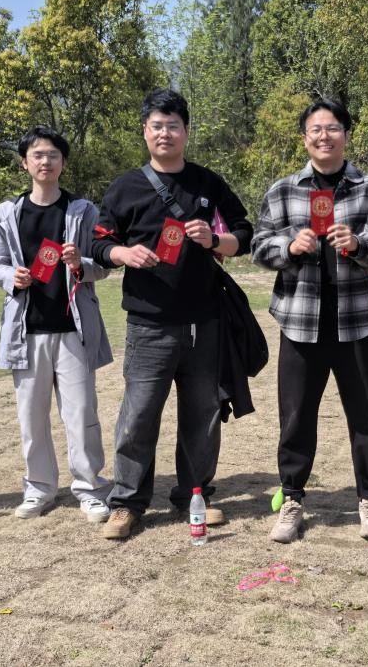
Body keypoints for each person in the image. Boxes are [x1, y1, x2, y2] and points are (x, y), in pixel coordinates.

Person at [89, 88, 252, 540]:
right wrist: (123, 253)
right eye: (157, 126)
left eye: (173, 125)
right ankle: (126, 503)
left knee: (202, 416)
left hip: (205, 322)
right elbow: (98, 243)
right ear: (145, 132)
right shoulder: (125, 187)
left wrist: (215, 241)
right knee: (138, 416)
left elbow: (244, 233)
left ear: (186, 131)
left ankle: (194, 496)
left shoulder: (208, 183)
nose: (165, 133)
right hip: (148, 324)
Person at [252, 99, 368, 543]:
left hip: (357, 322)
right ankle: (292, 499)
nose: (324, 136)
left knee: (366, 415)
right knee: (296, 417)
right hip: (300, 322)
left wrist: (359, 245)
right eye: (315, 129)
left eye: (333, 128)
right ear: (304, 138)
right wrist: (288, 248)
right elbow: (258, 246)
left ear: (346, 135)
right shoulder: (283, 191)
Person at [0, 126, 113, 523]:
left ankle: (90, 489)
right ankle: (39, 488)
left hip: (74, 327)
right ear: (24, 163)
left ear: (63, 162)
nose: (46, 161)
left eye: (53, 155)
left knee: (82, 414)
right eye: (37, 155)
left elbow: (103, 265)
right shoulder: (6, 214)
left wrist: (79, 264)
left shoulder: (83, 211)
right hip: (26, 330)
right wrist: (11, 277)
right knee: (31, 417)